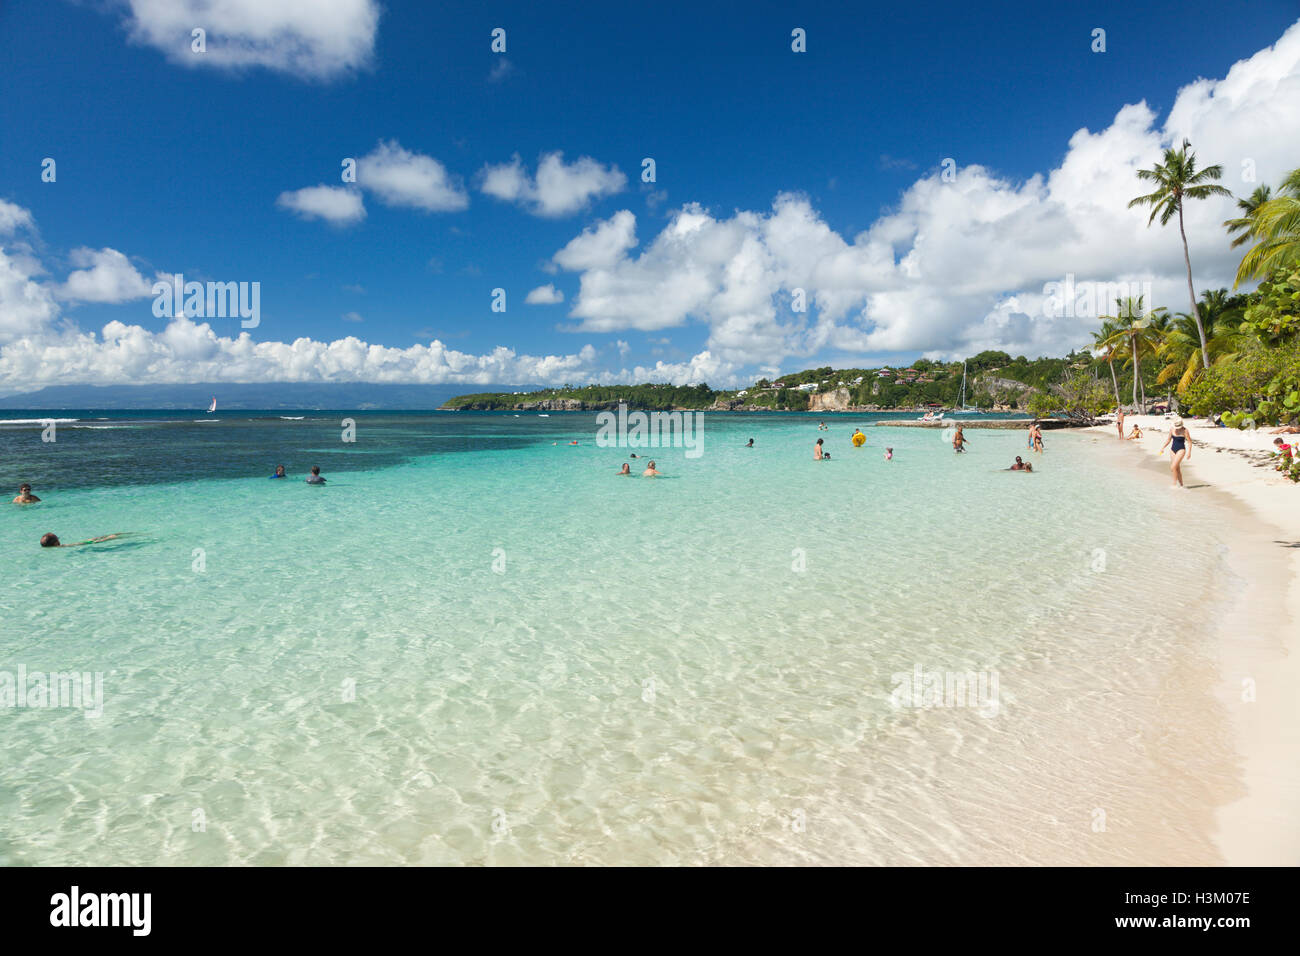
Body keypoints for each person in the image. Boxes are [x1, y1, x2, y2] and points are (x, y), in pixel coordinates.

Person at [1157, 417, 1192, 487]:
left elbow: (1190, 442)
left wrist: (1189, 453)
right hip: (1172, 449)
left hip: (1181, 449)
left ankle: (1174, 484)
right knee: (1176, 468)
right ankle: (1181, 485)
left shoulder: (1185, 430)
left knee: (1173, 467)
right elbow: (1168, 439)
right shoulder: (1172, 429)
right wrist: (1163, 447)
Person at [40, 533, 123, 548]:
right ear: (56, 543)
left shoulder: (57, 547)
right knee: (97, 540)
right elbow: (78, 544)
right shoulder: (61, 547)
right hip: (86, 543)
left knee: (94, 539)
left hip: (86, 542)